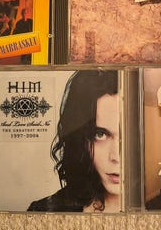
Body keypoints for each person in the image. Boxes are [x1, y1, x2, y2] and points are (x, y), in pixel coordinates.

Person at [28, 70, 120, 213]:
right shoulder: (45, 211)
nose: (116, 157)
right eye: (100, 134)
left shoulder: (156, 204)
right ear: (80, 139)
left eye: (128, 134)